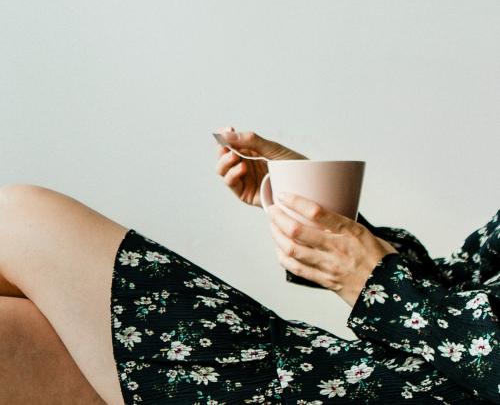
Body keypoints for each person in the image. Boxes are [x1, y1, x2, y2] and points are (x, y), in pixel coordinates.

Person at [0, 128, 497, 404]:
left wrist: (373, 279)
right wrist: (319, 214)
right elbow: (455, 287)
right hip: (370, 374)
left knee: (19, 217)